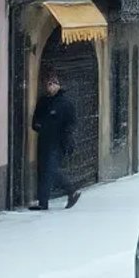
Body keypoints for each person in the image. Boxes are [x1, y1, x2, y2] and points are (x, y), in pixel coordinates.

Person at [30, 71, 82, 211]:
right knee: (43, 170)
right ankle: (43, 202)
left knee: (51, 170)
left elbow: (72, 123)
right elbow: (35, 121)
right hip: (44, 141)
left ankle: (71, 190)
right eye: (47, 84)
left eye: (52, 84)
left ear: (58, 85)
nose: (50, 87)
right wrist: (39, 126)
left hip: (58, 142)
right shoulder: (43, 102)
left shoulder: (65, 103)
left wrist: (66, 136)